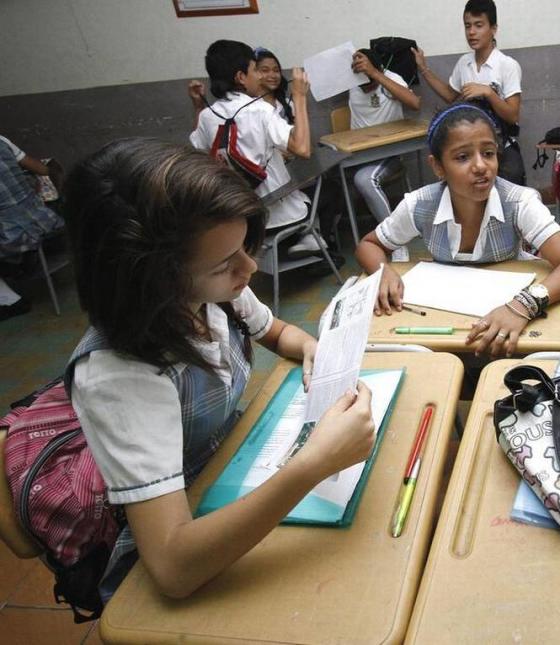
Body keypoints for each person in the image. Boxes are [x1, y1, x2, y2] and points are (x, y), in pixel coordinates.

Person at [62, 138, 375, 602]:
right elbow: (172, 567)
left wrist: (312, 349)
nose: (250, 268)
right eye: (228, 262)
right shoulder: (120, 377)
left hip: (236, 475)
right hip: (188, 543)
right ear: (153, 278)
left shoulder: (213, 292)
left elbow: (276, 331)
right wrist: (312, 466)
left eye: (245, 248)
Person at [354, 104, 560, 357]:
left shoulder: (519, 202)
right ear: (437, 167)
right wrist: (382, 271)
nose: (481, 166)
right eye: (462, 157)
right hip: (450, 319)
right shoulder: (420, 205)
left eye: (488, 153)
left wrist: (522, 306)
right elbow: (370, 245)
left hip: (511, 322)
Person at [188, 40, 314, 244]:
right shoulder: (260, 109)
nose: (260, 77)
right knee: (321, 197)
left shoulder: (207, 116)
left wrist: (197, 106)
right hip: (281, 218)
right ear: (241, 77)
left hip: (240, 222)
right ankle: (307, 244)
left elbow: (199, 153)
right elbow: (302, 149)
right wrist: (299, 97)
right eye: (256, 70)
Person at [412, 0, 527, 185]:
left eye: (479, 25)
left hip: (500, 148)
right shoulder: (464, 63)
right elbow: (449, 95)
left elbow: (512, 116)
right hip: (471, 151)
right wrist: (424, 69)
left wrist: (489, 93)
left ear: (493, 28)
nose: (471, 32)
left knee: (509, 197)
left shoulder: (507, 65)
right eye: (468, 26)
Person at [249, 46, 323, 258]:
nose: (272, 75)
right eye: (264, 70)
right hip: (271, 183)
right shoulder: (254, 110)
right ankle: (310, 239)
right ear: (248, 75)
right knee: (312, 196)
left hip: (293, 169)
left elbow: (302, 144)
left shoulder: (286, 104)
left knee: (326, 187)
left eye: (276, 69)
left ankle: (311, 240)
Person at [348, 48, 421, 226]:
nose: (365, 87)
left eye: (369, 81)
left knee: (364, 180)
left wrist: (375, 73)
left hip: (388, 154)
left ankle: (392, 237)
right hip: (358, 154)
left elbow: (415, 103)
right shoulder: (352, 82)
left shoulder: (390, 79)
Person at [0, 135, 64, 321]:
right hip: (44, 220)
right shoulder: (2, 140)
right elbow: (42, 169)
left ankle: (11, 300)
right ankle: (21, 265)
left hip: (10, 236)